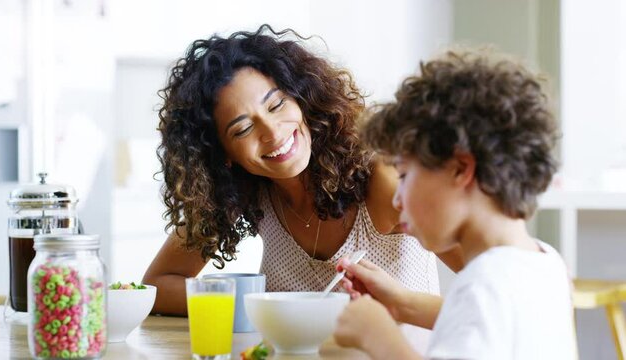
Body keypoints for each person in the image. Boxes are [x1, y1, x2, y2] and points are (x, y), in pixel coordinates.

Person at [142, 24, 462, 349]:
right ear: (223, 155)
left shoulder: (382, 179)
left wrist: (402, 305)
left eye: (276, 105)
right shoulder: (251, 192)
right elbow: (157, 285)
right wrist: (254, 303)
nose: (272, 132)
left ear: (301, 98)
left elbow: (497, 297)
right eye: (242, 129)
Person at [333, 48, 577, 359]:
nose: (396, 197)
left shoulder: (483, 284)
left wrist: (378, 336)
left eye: (404, 175)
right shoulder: (546, 262)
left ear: (461, 169)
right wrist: (398, 303)